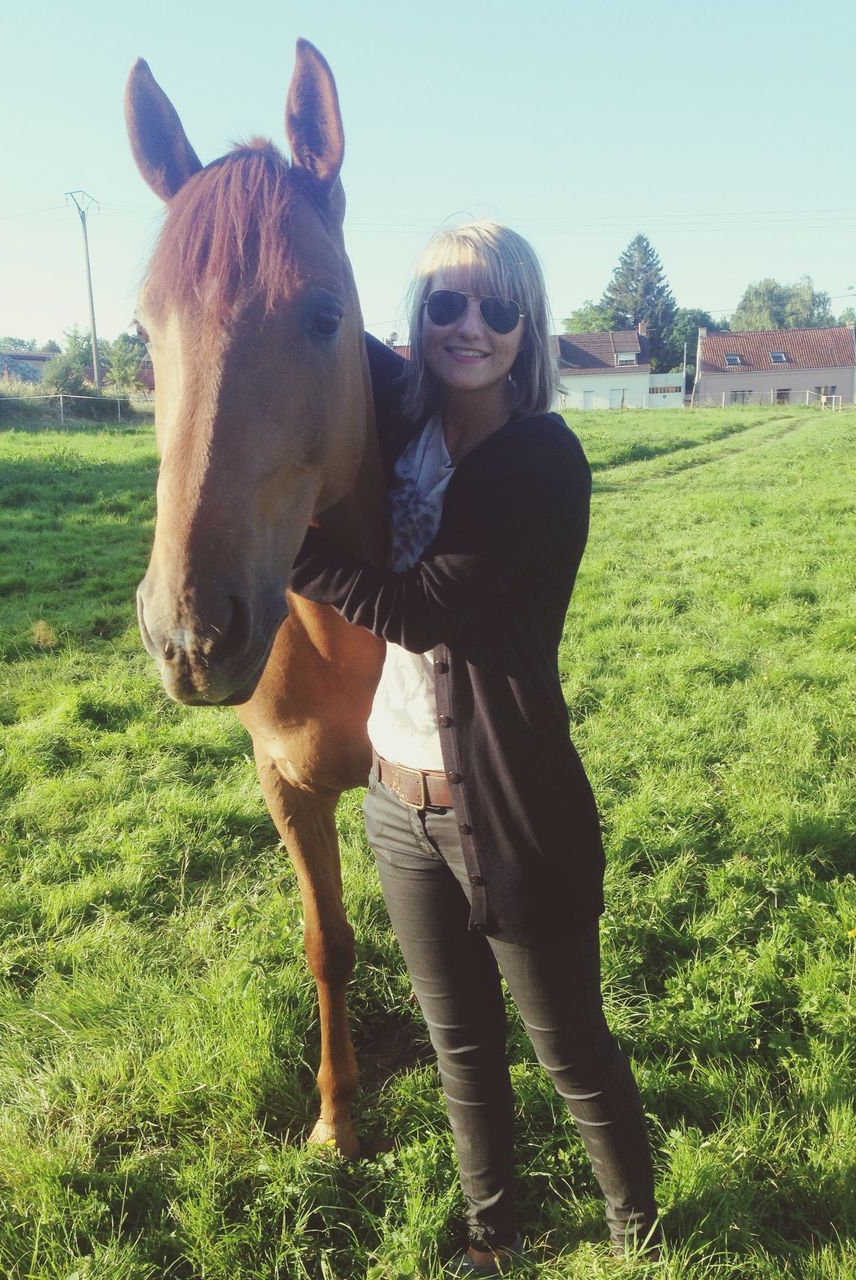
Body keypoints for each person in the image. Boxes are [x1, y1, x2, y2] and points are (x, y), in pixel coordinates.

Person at [289, 222, 659, 1275]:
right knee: (459, 1045)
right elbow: (302, 315)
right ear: (421, 319)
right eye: (448, 304)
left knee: (569, 1047)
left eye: (498, 308)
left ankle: (640, 1233)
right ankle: (493, 1233)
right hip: (395, 801)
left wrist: (288, 545)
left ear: (526, 326)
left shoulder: (539, 459)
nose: (471, 326)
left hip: (505, 804)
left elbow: (415, 609)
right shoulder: (406, 417)